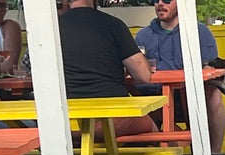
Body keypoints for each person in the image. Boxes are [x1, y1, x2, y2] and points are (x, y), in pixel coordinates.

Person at [136, 0, 225, 155]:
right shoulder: (143, 36)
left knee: (214, 94)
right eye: (155, 0)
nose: (160, 4)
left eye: (167, 0)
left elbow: (210, 67)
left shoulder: (199, 32)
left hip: (191, 96)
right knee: (139, 103)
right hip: (156, 98)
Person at [58, 0, 157, 138]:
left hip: (66, 117)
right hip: (114, 114)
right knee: (153, 128)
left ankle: (80, 135)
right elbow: (143, 75)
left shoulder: (53, 28)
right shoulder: (113, 25)